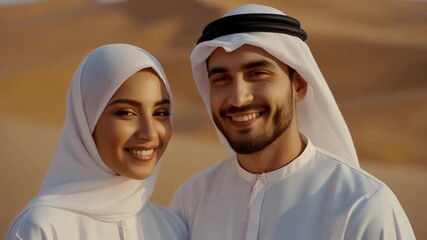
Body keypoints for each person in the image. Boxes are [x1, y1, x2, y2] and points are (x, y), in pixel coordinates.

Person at [170, 4, 415, 240]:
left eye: (257, 74)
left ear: (298, 85)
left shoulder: (361, 204)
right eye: (221, 79)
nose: (238, 97)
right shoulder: (192, 199)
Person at [6, 44, 188, 240]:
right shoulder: (43, 227)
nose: (150, 133)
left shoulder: (172, 227)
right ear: (86, 120)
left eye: (160, 113)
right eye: (126, 113)